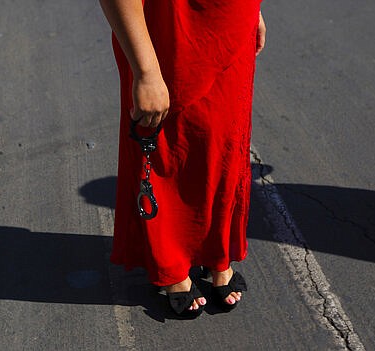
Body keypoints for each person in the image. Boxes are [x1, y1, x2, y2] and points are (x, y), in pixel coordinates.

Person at [99, 0, 266, 318]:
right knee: (169, 146)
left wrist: (253, 11)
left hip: (231, 22)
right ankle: (170, 263)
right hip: (171, 30)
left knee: (225, 144)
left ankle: (217, 255)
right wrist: (146, 72)